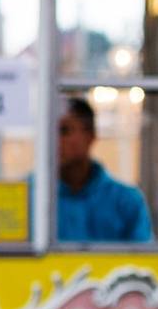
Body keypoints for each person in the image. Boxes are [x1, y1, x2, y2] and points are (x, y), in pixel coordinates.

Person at [56, 95, 152, 243]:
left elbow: (142, 260)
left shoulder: (127, 201)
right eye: (47, 132)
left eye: (64, 131)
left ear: (91, 136)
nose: (54, 140)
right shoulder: (28, 197)